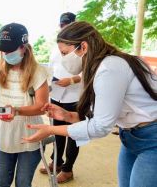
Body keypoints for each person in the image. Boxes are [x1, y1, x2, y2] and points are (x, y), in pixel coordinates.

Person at [23, 21, 157, 187]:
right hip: (131, 136)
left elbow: (100, 127)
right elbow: (99, 115)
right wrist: (68, 115)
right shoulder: (104, 66)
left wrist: (50, 130)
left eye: (65, 53)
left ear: (83, 47)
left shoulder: (108, 69)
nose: (63, 59)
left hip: (151, 138)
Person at [0, 23, 49, 187]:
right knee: (1, 181)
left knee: (22, 182)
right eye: (3, 50)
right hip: (5, 135)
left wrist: (16, 111)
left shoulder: (38, 72)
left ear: (23, 47)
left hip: (29, 136)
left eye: (10, 50)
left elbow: (41, 106)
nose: (5, 54)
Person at [39, 12, 81, 183]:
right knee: (57, 133)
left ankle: (68, 169)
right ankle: (56, 162)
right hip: (57, 96)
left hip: (76, 97)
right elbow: (51, 68)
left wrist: (71, 79)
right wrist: (49, 83)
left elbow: (88, 72)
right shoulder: (55, 47)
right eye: (62, 25)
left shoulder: (82, 47)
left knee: (73, 135)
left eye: (68, 25)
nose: (64, 28)